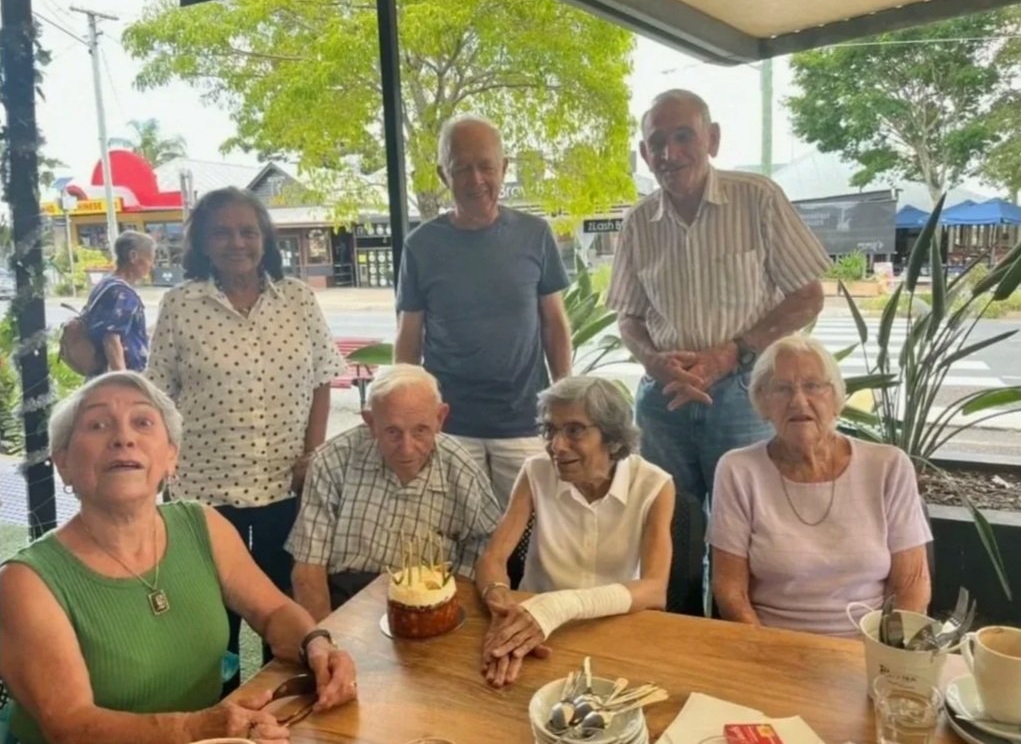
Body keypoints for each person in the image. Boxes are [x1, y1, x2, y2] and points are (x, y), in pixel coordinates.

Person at [0, 372, 357, 744]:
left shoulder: (201, 524)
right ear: (63, 462)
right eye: (97, 424)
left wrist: (316, 644)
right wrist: (194, 728)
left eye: (143, 422)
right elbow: (71, 726)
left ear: (172, 456)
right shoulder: (25, 582)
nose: (124, 438)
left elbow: (273, 612)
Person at [606, 89, 831, 615]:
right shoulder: (639, 222)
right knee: (670, 530)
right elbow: (628, 317)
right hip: (665, 398)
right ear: (644, 153)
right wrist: (651, 360)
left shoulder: (757, 198)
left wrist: (733, 353)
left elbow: (808, 295)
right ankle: (681, 643)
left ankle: (745, 649)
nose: (670, 152)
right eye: (656, 142)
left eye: (683, 136)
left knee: (749, 531)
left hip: (747, 394)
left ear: (712, 139)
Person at [146, 186, 346, 686]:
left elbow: (323, 377)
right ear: (203, 243)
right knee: (217, 627)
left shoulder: (297, 299)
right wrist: (160, 466)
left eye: (248, 231)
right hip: (206, 496)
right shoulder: (181, 305)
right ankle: (224, 717)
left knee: (289, 613)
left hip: (286, 489)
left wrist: (312, 452)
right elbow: (157, 395)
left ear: (265, 240)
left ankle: (294, 714)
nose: (238, 242)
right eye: (223, 232)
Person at [394, 115, 572, 508]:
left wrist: (564, 396)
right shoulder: (421, 246)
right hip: (450, 425)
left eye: (486, 166)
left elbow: (554, 324)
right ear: (444, 175)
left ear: (504, 168)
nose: (476, 180)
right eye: (462, 168)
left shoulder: (535, 234)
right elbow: (409, 336)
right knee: (454, 537)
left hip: (525, 420)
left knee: (531, 539)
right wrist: (405, 411)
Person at [708, 335, 932, 637]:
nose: (799, 401)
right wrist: (763, 651)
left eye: (813, 386)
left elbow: (911, 586)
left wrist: (885, 656)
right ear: (762, 403)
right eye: (782, 389)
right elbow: (729, 590)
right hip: (772, 645)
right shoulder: (738, 470)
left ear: (837, 398)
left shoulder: (888, 466)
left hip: (867, 648)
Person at [474, 376, 675, 688]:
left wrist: (558, 608)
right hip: (531, 624)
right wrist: (502, 607)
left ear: (613, 437)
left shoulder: (654, 485)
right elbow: (492, 558)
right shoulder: (536, 472)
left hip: (612, 629)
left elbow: (654, 589)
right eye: (551, 430)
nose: (557, 446)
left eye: (574, 431)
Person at [287, 364, 503, 620]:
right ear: (370, 422)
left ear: (440, 418)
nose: (407, 449)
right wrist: (326, 639)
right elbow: (308, 569)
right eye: (392, 432)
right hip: (344, 598)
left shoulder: (462, 470)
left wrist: (451, 601)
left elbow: (485, 545)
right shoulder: (333, 461)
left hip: (428, 603)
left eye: (420, 430)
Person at [85, 230, 156, 373]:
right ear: (133, 256)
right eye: (150, 258)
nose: (152, 265)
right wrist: (122, 379)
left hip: (101, 373)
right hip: (117, 377)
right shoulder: (122, 293)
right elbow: (111, 339)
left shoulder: (105, 284)